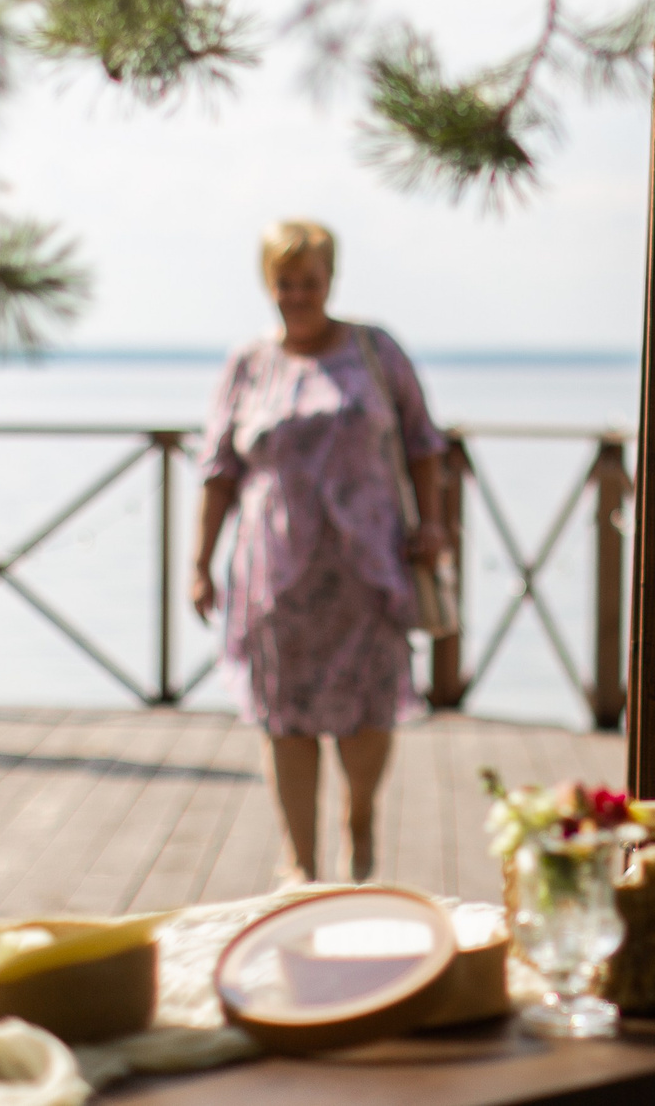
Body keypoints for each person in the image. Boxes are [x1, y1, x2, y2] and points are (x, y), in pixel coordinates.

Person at [189, 220, 450, 886]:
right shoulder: (248, 362)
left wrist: (434, 523)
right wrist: (198, 561)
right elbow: (217, 468)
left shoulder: (374, 347)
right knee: (285, 717)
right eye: (285, 282)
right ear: (268, 284)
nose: (298, 295)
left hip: (367, 566)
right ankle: (299, 864)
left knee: (365, 709)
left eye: (309, 281)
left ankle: (357, 826)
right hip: (275, 572)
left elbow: (423, 442)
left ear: (329, 280)